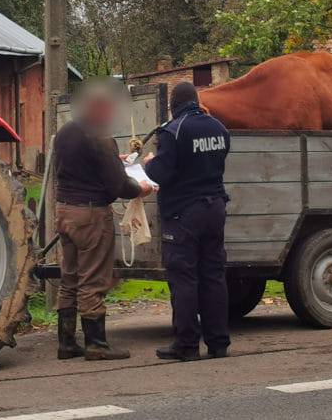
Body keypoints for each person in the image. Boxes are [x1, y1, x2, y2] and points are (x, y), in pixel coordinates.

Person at [54, 79, 153, 361]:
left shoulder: (65, 132)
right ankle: (96, 344)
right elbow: (118, 187)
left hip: (65, 212)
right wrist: (142, 188)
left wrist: (114, 158)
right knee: (93, 279)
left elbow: (83, 164)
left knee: (69, 278)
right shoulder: (99, 135)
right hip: (90, 216)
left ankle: (66, 342)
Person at [143, 81, 231, 361]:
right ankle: (218, 343)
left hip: (184, 214)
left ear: (173, 105)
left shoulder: (173, 130)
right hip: (215, 208)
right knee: (213, 276)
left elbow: (162, 173)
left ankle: (187, 344)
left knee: (183, 278)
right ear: (197, 100)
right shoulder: (218, 127)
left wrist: (148, 163)